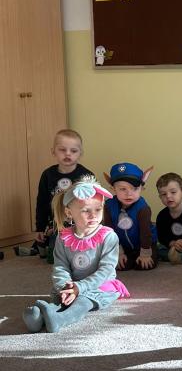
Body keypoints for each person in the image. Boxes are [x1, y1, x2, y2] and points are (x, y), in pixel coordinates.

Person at [23, 177, 129, 333]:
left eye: (98, 209)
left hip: (99, 285)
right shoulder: (63, 238)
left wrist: (80, 287)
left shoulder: (108, 236)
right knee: (61, 298)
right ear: (69, 213)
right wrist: (65, 287)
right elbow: (60, 267)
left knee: (83, 301)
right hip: (72, 285)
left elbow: (106, 270)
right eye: (86, 210)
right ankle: (40, 317)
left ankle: (60, 319)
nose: (93, 215)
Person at [32, 129, 93, 260]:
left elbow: (94, 204)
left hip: (80, 224)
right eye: (62, 150)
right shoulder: (48, 175)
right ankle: (46, 242)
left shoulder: (86, 176)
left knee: (82, 254)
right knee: (54, 257)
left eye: (73, 151)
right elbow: (42, 202)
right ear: (53, 151)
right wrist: (40, 228)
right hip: (57, 224)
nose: (68, 154)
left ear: (80, 153)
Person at [103, 162, 158, 270]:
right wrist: (118, 253)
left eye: (134, 188)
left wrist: (145, 253)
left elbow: (145, 233)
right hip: (123, 246)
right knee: (121, 266)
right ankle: (129, 257)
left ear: (141, 188)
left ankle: (143, 255)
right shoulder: (109, 206)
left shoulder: (143, 208)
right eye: (123, 189)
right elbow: (110, 232)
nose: (129, 194)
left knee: (146, 264)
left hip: (145, 244)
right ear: (113, 189)